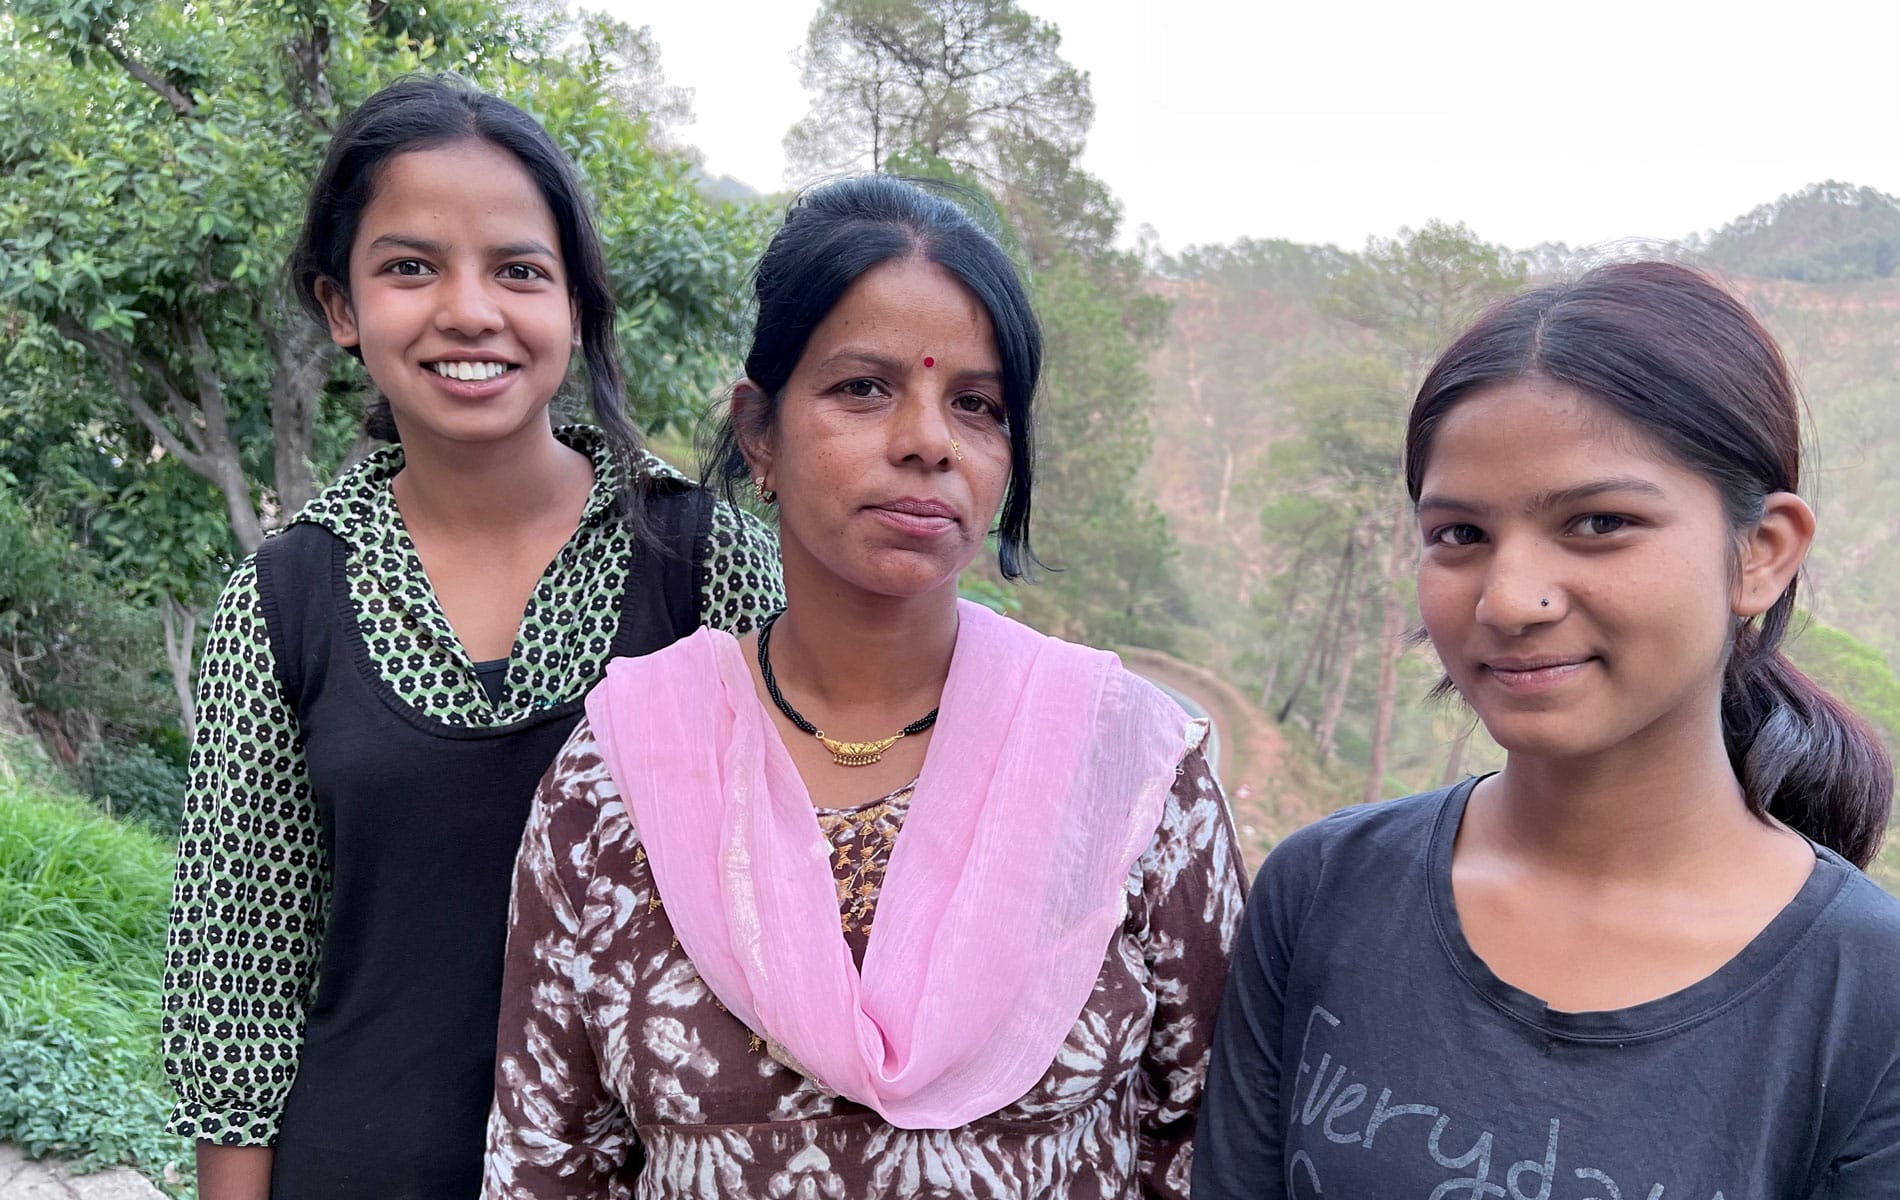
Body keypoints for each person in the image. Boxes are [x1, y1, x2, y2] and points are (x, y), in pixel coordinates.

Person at [479, 175, 1248, 1200]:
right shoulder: (619, 776)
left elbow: (1208, 1144)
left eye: (975, 405)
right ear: (759, 432)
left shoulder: (1128, 771)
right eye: (864, 388)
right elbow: (546, 1162)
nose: (928, 439)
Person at [161, 77, 783, 1200]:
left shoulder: (705, 565)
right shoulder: (285, 597)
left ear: (577, 306)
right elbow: (237, 969)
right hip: (357, 1169)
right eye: (409, 267)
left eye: (518, 269)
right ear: (340, 307)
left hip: (657, 1173)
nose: (468, 310)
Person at [1194, 261, 1900, 1197]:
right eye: (1458, 535)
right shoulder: (1324, 892)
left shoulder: (1865, 994)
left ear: (1760, 555)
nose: (1508, 599)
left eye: (1598, 522)